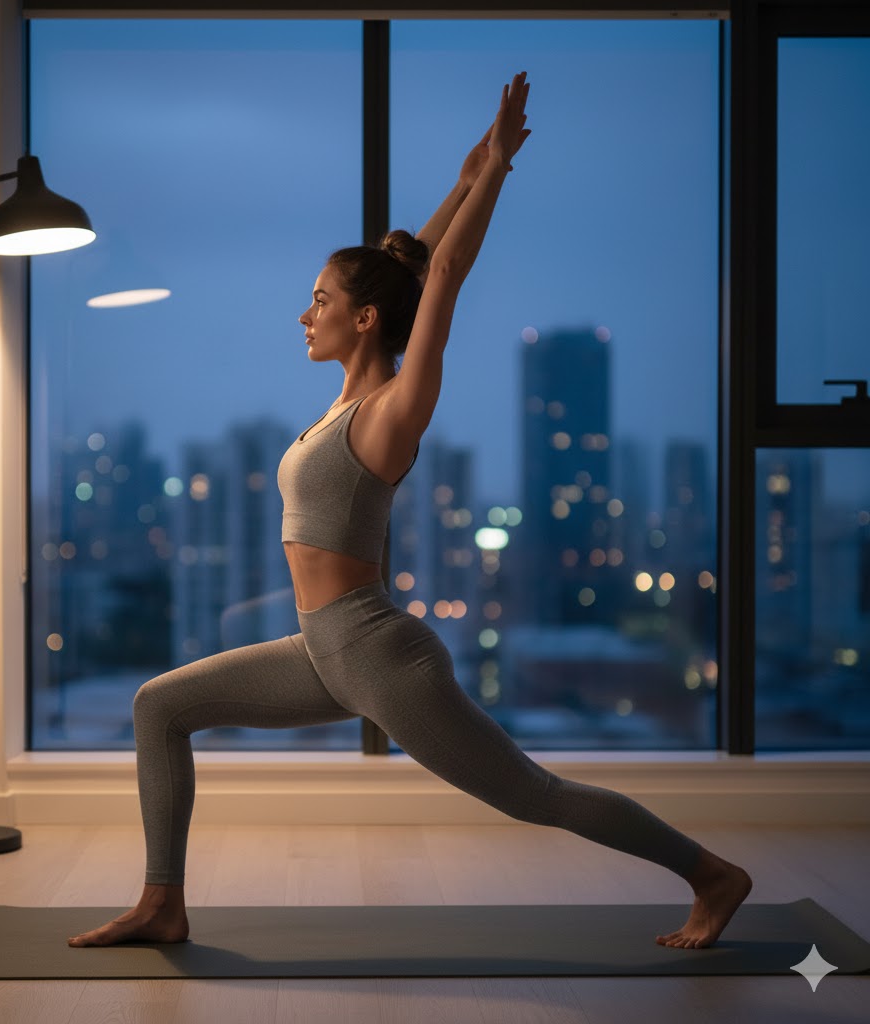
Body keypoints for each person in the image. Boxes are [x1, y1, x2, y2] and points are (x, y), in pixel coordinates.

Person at [69, 71, 751, 950]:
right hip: (321, 650)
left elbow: (442, 280)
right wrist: (462, 177)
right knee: (159, 705)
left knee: (532, 795)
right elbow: (405, 272)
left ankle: (712, 874)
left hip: (379, 655)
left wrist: (497, 173)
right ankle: (162, 902)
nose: (304, 312)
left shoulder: (393, 413)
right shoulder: (339, 407)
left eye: (320, 299)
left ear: (363, 321)